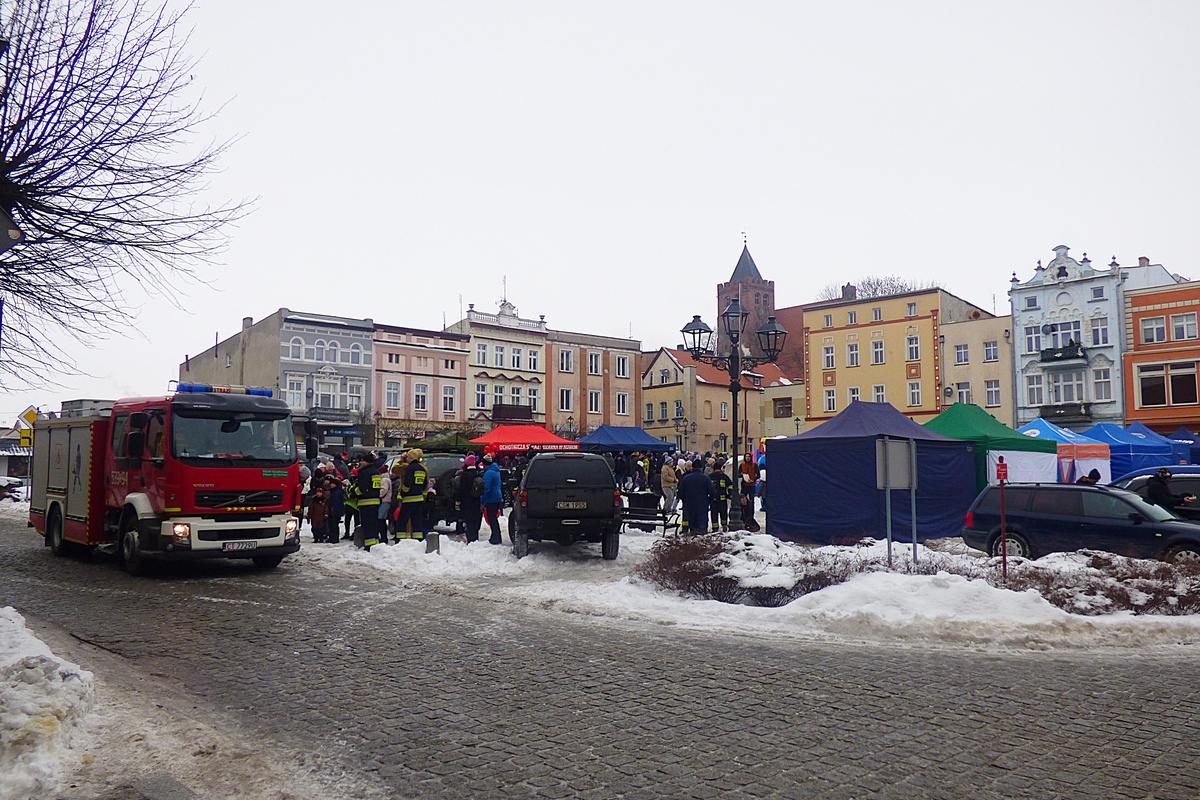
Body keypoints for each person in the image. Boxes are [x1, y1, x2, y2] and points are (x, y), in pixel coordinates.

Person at [396, 449, 429, 540]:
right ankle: (417, 539)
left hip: (409, 499)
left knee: (402, 520)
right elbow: (425, 484)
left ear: (411, 457)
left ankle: (400, 539)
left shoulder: (410, 468)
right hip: (419, 499)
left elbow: (407, 484)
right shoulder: (422, 469)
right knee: (417, 521)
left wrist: (402, 493)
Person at [353, 453, 383, 550]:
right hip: (375, 501)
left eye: (362, 461)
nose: (360, 463)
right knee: (374, 524)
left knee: (367, 525)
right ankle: (375, 542)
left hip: (365, 502)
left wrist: (353, 492)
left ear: (366, 462)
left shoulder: (364, 472)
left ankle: (369, 545)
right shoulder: (376, 472)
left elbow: (362, 488)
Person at [677, 458, 716, 534]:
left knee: (692, 526)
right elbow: (713, 493)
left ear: (692, 467)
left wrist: (686, 501)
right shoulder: (706, 478)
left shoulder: (686, 478)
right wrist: (708, 501)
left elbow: (680, 493)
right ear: (701, 468)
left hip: (690, 505)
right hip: (702, 505)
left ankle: (693, 533)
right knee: (702, 528)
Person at [457, 455, 485, 542]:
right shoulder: (478, 473)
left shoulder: (464, 475)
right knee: (475, 520)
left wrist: (458, 500)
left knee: (469, 521)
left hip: (467, 502)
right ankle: (475, 538)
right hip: (477, 500)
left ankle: (470, 539)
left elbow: (461, 490)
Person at [480, 452, 504, 545]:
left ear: (485, 464)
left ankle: (496, 537)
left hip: (491, 498)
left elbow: (486, 488)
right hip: (497, 497)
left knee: (492, 519)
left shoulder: (489, 473)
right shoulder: (496, 471)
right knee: (493, 518)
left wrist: (482, 500)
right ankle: (496, 536)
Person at [710, 457, 734, 533]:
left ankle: (715, 528)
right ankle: (723, 526)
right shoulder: (724, 477)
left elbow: (730, 486)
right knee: (723, 514)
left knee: (714, 514)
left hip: (714, 500)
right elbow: (730, 486)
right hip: (721, 500)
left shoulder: (710, 477)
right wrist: (729, 494)